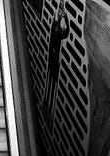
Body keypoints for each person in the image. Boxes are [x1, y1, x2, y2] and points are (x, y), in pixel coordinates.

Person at [43, 0, 69, 131]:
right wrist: (61, 16)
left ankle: (50, 107)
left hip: (54, 57)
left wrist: (65, 16)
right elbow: (61, 27)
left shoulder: (58, 29)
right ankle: (47, 104)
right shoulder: (56, 27)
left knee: (52, 81)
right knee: (50, 80)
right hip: (53, 57)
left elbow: (66, 32)